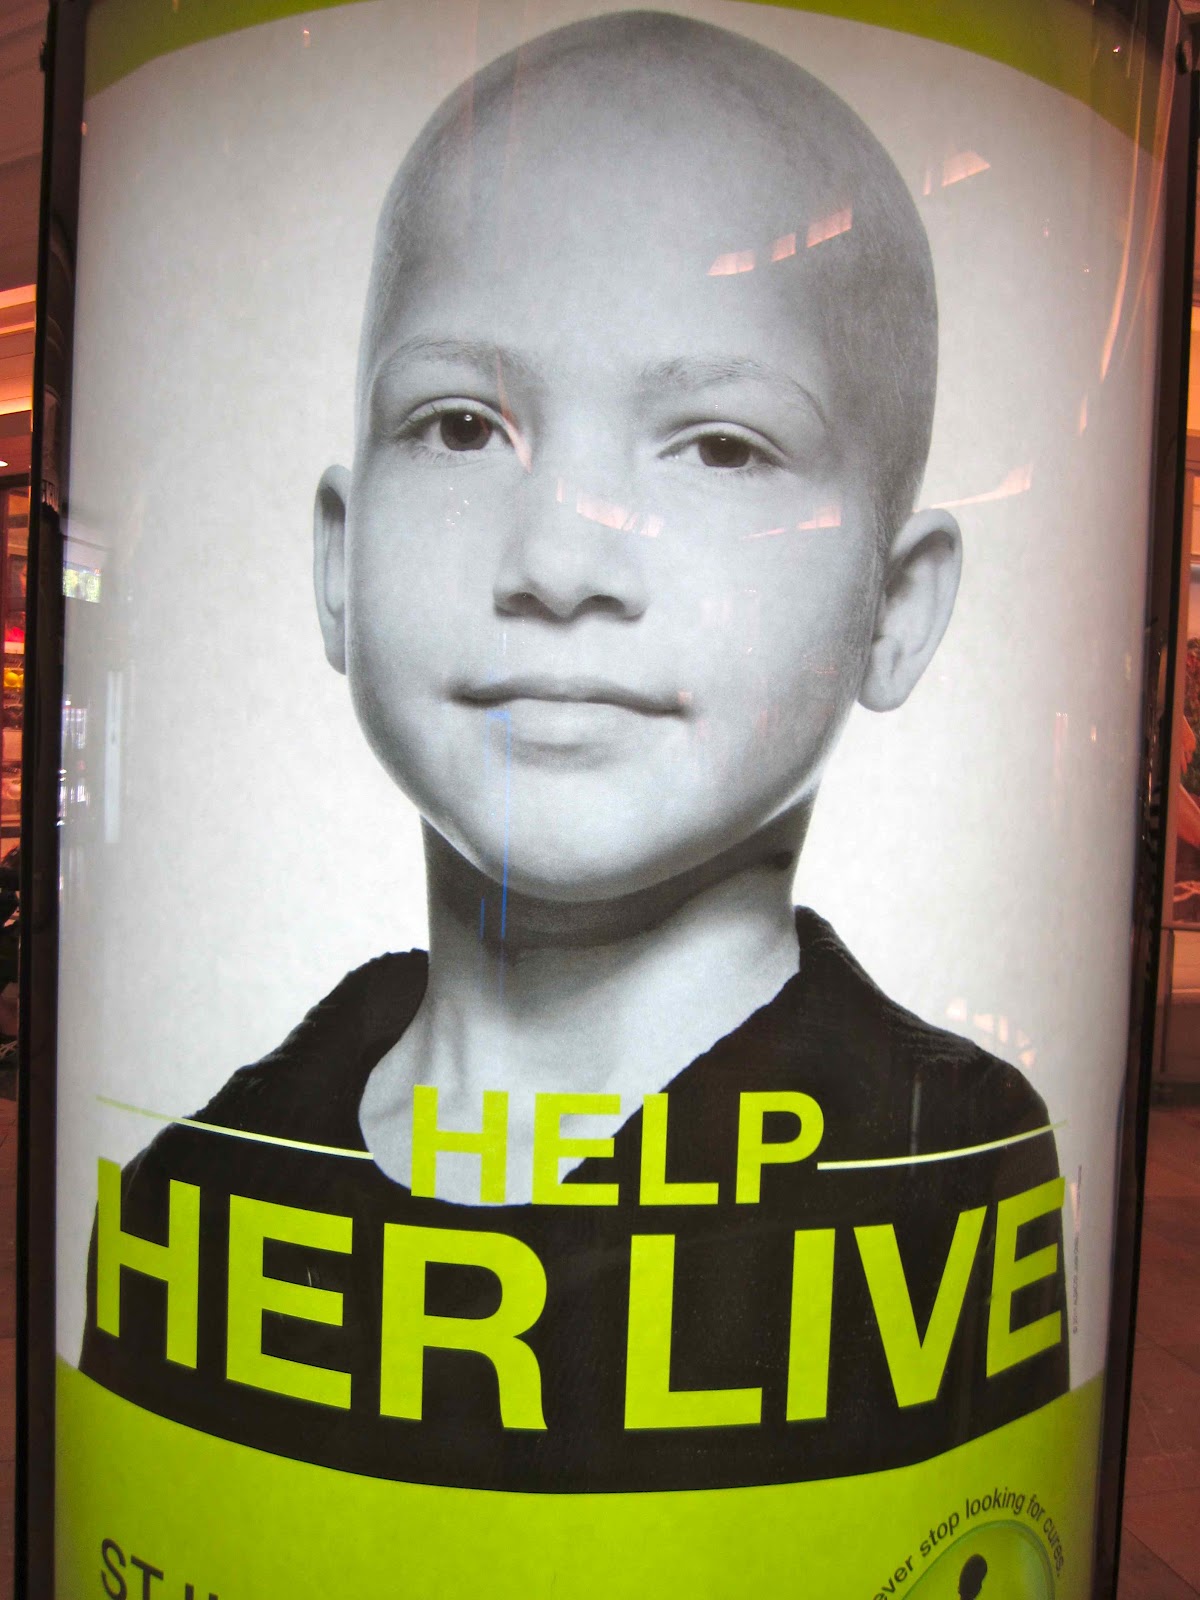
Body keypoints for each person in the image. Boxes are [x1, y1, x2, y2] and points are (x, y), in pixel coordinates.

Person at [81, 9, 1068, 1493]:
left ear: (898, 605)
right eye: (461, 427)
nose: (557, 560)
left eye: (721, 445)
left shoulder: (944, 1173)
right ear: (339, 561)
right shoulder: (197, 1184)